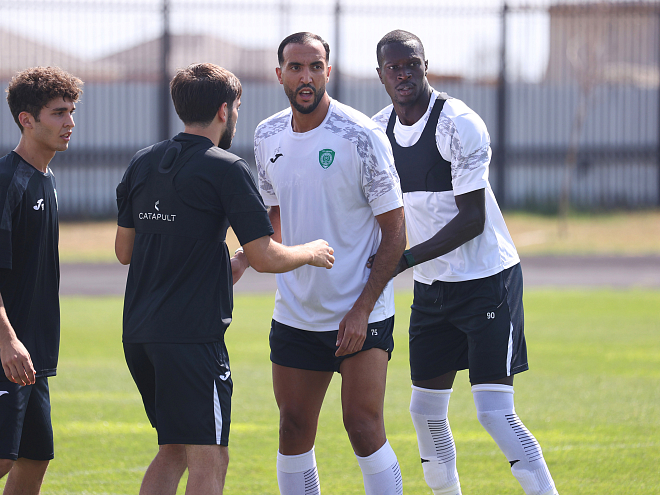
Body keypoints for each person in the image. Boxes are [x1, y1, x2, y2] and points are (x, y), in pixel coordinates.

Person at [115, 63, 334, 495]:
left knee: (174, 449)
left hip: (139, 335)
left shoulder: (143, 161)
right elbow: (266, 256)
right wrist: (311, 251)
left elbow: (126, 252)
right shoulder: (226, 167)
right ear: (224, 110)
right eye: (237, 107)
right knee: (210, 456)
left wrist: (222, 266)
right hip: (192, 340)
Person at [372, 30, 559, 495]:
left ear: (426, 65)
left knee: (494, 412)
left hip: (486, 281)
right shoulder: (377, 132)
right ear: (380, 75)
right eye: (393, 67)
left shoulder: (457, 123)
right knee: (424, 412)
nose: (403, 74)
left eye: (411, 64)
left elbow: (472, 219)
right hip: (432, 288)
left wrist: (403, 260)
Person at [254, 32, 407, 495]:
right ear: (279, 74)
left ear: (328, 72)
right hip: (296, 313)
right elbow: (275, 215)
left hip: (361, 312)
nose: (306, 77)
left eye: (315, 66)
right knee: (293, 427)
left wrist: (362, 309)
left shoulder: (361, 135)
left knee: (362, 426)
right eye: (296, 67)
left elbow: (395, 232)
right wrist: (250, 255)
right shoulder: (265, 135)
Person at [0, 67, 83, 494]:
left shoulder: (46, 179)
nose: (70, 122)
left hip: (32, 353)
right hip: (7, 348)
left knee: (34, 458)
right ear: (26, 120)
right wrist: (7, 341)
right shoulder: (7, 181)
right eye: (58, 113)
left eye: (71, 112)